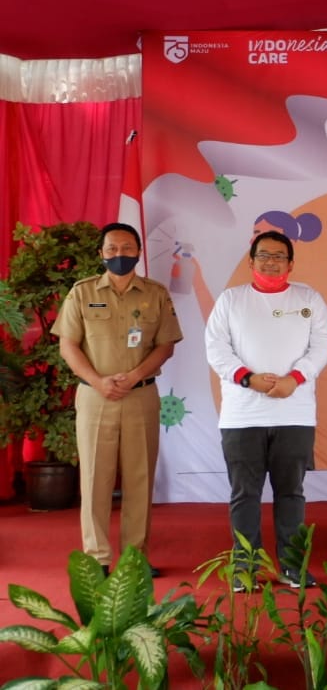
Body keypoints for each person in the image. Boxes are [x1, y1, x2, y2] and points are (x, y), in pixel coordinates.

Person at [205, 230, 327, 588]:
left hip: (294, 414)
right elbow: (216, 348)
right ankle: (245, 568)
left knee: (291, 493)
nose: (271, 262)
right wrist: (248, 379)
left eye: (279, 256)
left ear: (290, 264)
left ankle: (293, 566)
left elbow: (323, 344)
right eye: (263, 255)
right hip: (242, 415)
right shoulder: (231, 300)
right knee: (244, 494)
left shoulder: (308, 298)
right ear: (251, 262)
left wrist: (296, 378)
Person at [53, 222, 183, 576]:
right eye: (112, 248)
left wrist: (135, 375)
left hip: (141, 396)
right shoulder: (82, 292)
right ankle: (97, 558)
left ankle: (134, 558)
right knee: (95, 477)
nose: (119, 254)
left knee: (140, 478)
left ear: (139, 252)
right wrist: (99, 381)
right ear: (101, 253)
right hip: (95, 396)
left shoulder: (155, 293)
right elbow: (68, 345)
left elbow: (166, 345)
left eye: (127, 248)